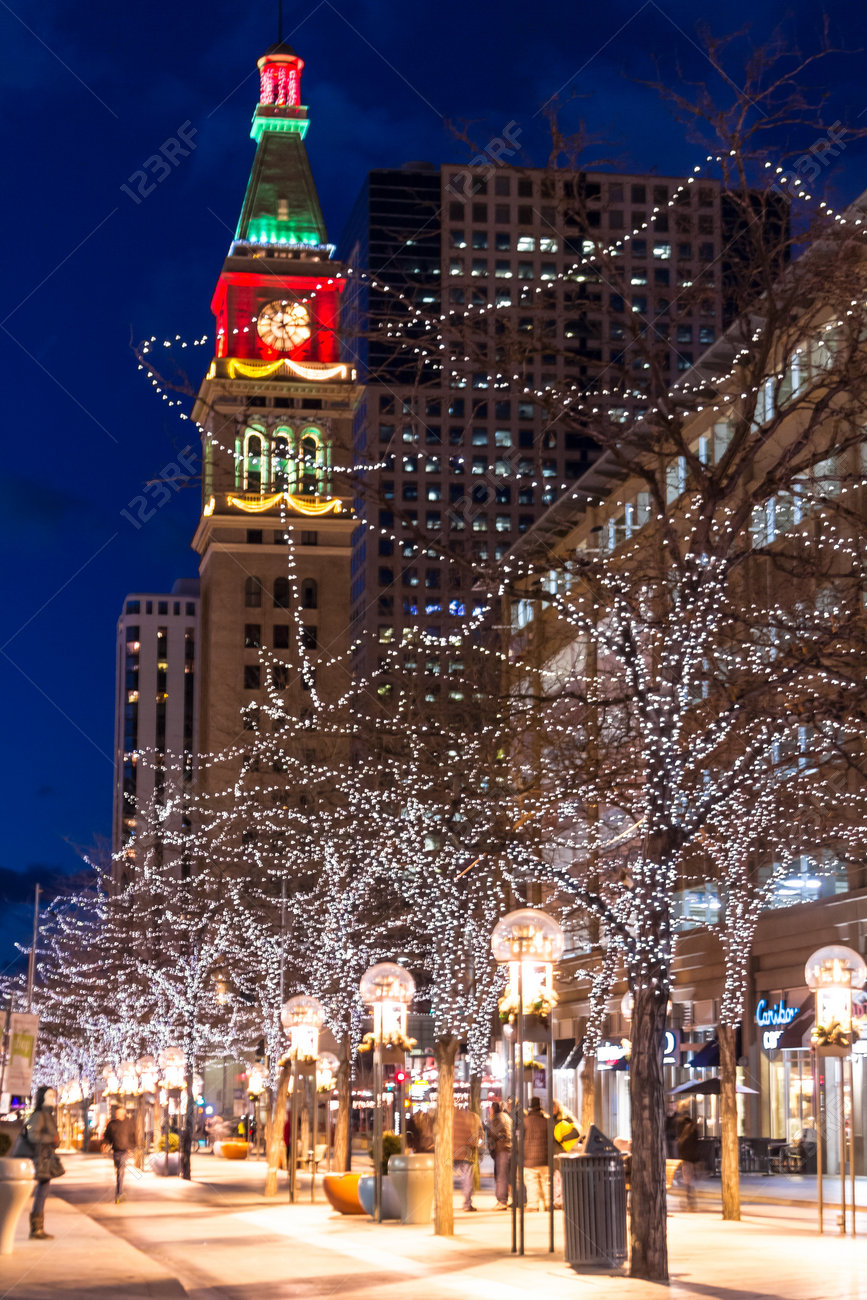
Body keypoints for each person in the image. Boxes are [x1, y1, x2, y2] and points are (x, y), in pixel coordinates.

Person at [22, 1086, 62, 1239]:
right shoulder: (39, 1115)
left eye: (53, 1096)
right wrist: (52, 1139)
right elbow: (33, 1136)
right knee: (41, 1192)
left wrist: (55, 1141)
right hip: (41, 1158)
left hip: (46, 1157)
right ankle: (36, 1229)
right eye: (49, 1096)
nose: (53, 1098)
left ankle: (38, 1228)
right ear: (42, 1098)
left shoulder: (47, 1115)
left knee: (43, 1191)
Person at [452, 1105, 484, 1212]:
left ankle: (444, 1202)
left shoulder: (450, 1118)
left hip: (451, 1153)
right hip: (465, 1154)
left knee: (450, 1178)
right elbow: (474, 1137)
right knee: (467, 1179)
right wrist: (478, 1146)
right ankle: (467, 1204)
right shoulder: (471, 1118)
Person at [103, 1104, 135, 1203]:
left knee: (120, 1171)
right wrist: (104, 1145)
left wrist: (131, 1147)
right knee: (118, 1171)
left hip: (125, 1151)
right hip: (116, 1151)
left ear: (124, 1113)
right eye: (117, 1113)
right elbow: (107, 1137)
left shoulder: (129, 1123)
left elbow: (133, 1136)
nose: (118, 1114)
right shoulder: (112, 1124)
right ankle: (119, 1191)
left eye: (120, 1113)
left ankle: (118, 1193)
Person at [552, 1100, 581, 1208]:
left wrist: (562, 1138)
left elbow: (577, 1132)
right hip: (556, 1153)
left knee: (563, 1178)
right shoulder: (551, 1120)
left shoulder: (567, 1118)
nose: (553, 1109)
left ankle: (564, 1201)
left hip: (565, 1152)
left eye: (554, 1107)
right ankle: (558, 1201)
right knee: (557, 1178)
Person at [523, 1096, 550, 1212]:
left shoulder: (524, 1122)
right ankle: (548, 1203)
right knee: (546, 1182)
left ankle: (533, 1205)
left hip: (529, 1159)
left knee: (531, 1182)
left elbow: (519, 1141)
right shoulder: (547, 1122)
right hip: (545, 1158)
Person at [486, 1100, 512, 1209]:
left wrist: (491, 1147)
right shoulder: (506, 1117)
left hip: (501, 1149)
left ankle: (502, 1201)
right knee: (505, 1175)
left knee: (501, 1176)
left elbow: (493, 1134)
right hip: (508, 1148)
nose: (490, 1111)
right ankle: (505, 1199)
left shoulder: (497, 1119)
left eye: (491, 1108)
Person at [675, 1105, 700, 1210]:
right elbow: (696, 1142)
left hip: (684, 1156)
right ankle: (690, 1200)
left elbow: (679, 1140)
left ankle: (690, 1200)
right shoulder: (692, 1126)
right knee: (688, 1179)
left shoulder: (680, 1125)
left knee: (686, 1179)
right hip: (691, 1156)